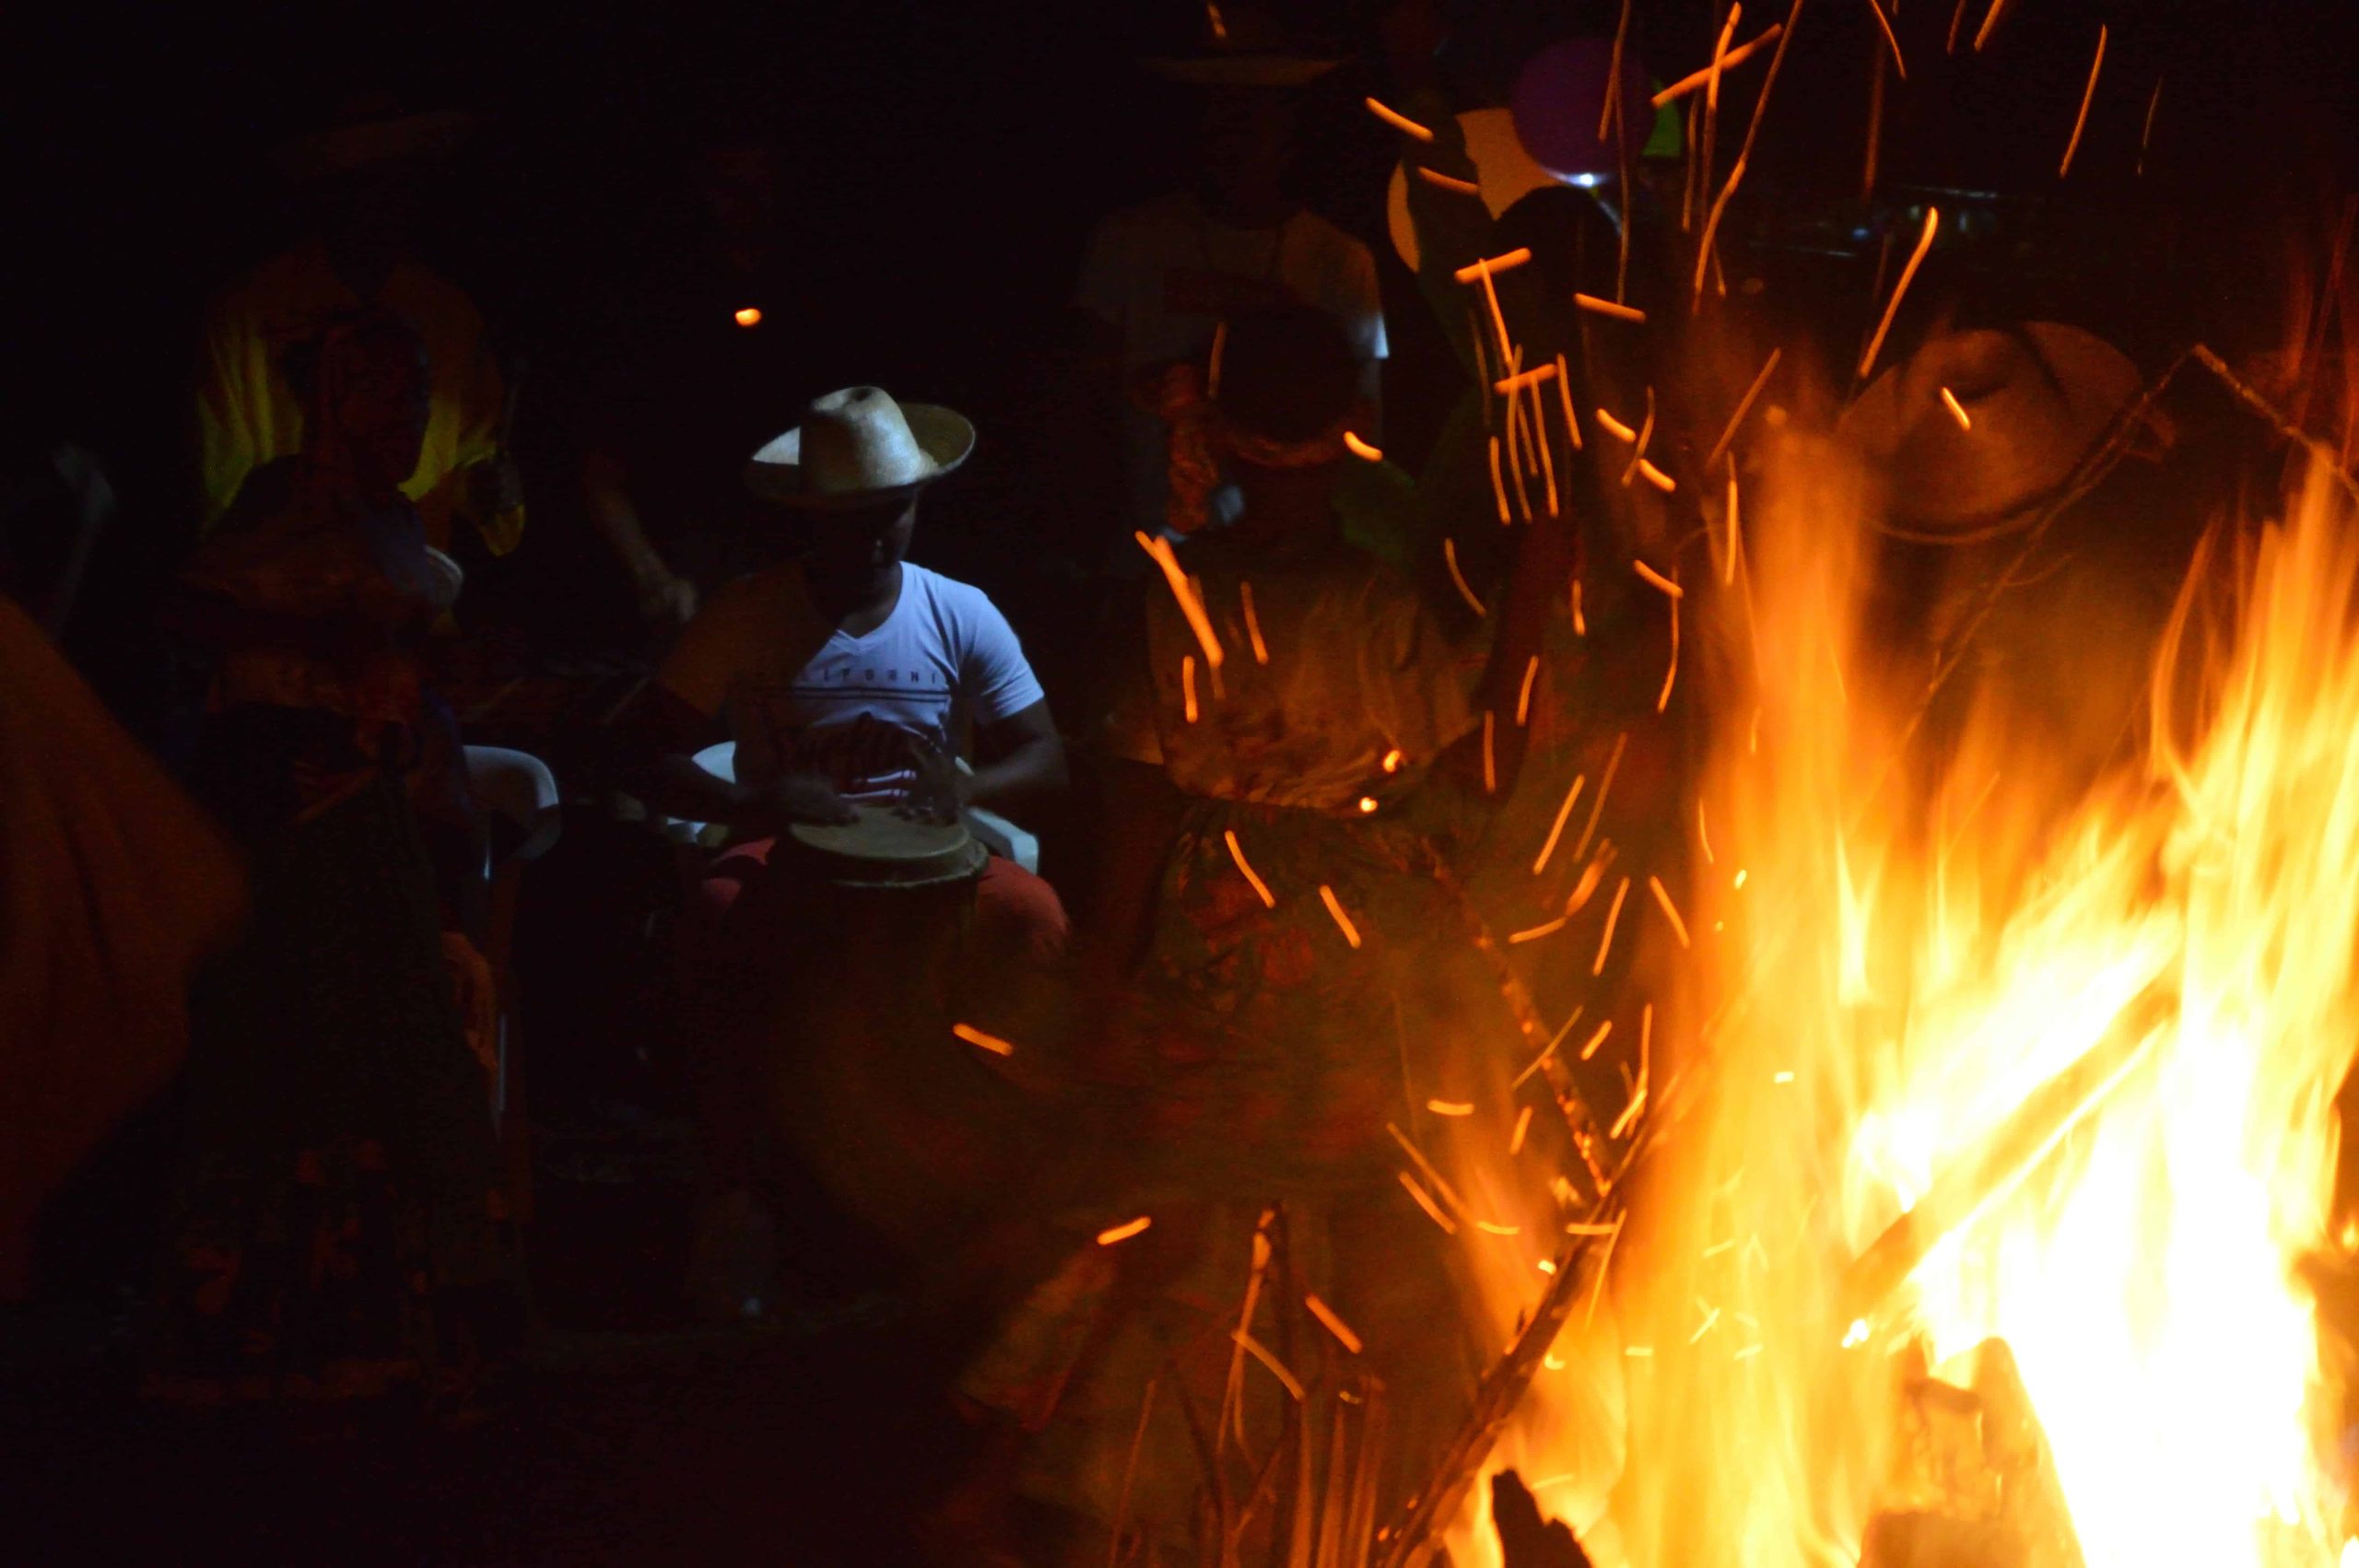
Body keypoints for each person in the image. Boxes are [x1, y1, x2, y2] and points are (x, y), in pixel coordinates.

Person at [943, 306, 1569, 1563]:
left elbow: (1134, 806)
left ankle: (1130, 1492)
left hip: (1213, 948)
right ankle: (1076, 1492)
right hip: (1336, 970)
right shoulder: (1375, 607)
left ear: (1224, 442)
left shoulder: (1180, 598)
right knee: (1290, 1236)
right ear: (1346, 444)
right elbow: (1490, 769)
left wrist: (1111, 978)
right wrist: (1541, 590)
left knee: (1163, 1227)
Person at [616, 385, 1069, 1316]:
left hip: (932, 855)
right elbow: (637, 750)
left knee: (1034, 918)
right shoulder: (749, 614)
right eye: (848, 520)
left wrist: (969, 787)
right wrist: (753, 799)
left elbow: (1046, 753)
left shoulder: (958, 612)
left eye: (889, 514)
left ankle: (1023, 1190)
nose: (871, 538)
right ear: (807, 516)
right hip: (789, 852)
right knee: (714, 914)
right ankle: (738, 1191)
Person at [154, 307, 511, 1398]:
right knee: (307, 1062)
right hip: (307, 815)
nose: (407, 416)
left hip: (381, 813)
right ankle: (274, 1319)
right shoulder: (282, 502)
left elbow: (409, 644)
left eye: (415, 395)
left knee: (386, 1058)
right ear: (339, 400)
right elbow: (208, 610)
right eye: (386, 394)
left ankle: (378, 1321)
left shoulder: (395, 519)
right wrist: (334, 646)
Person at [1075, 7, 1388, 552]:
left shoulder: (1339, 259)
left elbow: (1362, 418)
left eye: (1252, 112)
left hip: (1289, 553)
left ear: (1289, 128)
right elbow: (1083, 385)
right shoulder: (1131, 239)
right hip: (1152, 544)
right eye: (1219, 110)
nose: (1232, 133)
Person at [194, 94, 520, 564]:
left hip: (410, 602)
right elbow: (220, 487)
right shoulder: (246, 310)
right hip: (280, 601)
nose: (386, 202)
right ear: (328, 191)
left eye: (402, 182)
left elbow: (476, 457)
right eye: (366, 184)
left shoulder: (450, 312)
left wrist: (494, 492)